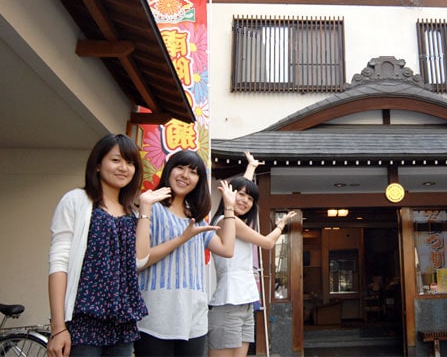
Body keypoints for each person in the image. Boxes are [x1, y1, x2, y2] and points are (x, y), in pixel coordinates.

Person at [48, 133, 170, 357]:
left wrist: (144, 210)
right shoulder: (76, 201)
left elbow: (140, 260)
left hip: (121, 324)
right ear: (97, 165)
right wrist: (58, 328)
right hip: (83, 321)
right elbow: (59, 264)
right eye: (116, 160)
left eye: (130, 162)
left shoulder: (131, 212)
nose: (124, 167)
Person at [135, 150, 237, 357]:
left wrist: (229, 207)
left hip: (194, 319)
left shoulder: (196, 217)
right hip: (155, 317)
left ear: (199, 180)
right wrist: (183, 237)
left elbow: (227, 249)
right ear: (168, 171)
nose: (185, 175)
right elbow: (139, 261)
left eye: (193, 172)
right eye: (180, 167)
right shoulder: (152, 208)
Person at [208, 151, 296, 357]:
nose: (245, 201)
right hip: (229, 303)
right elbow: (266, 243)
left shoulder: (233, 219)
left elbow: (241, 191)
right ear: (230, 193)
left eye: (250, 198)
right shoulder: (228, 220)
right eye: (241, 195)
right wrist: (281, 226)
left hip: (245, 303)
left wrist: (251, 168)